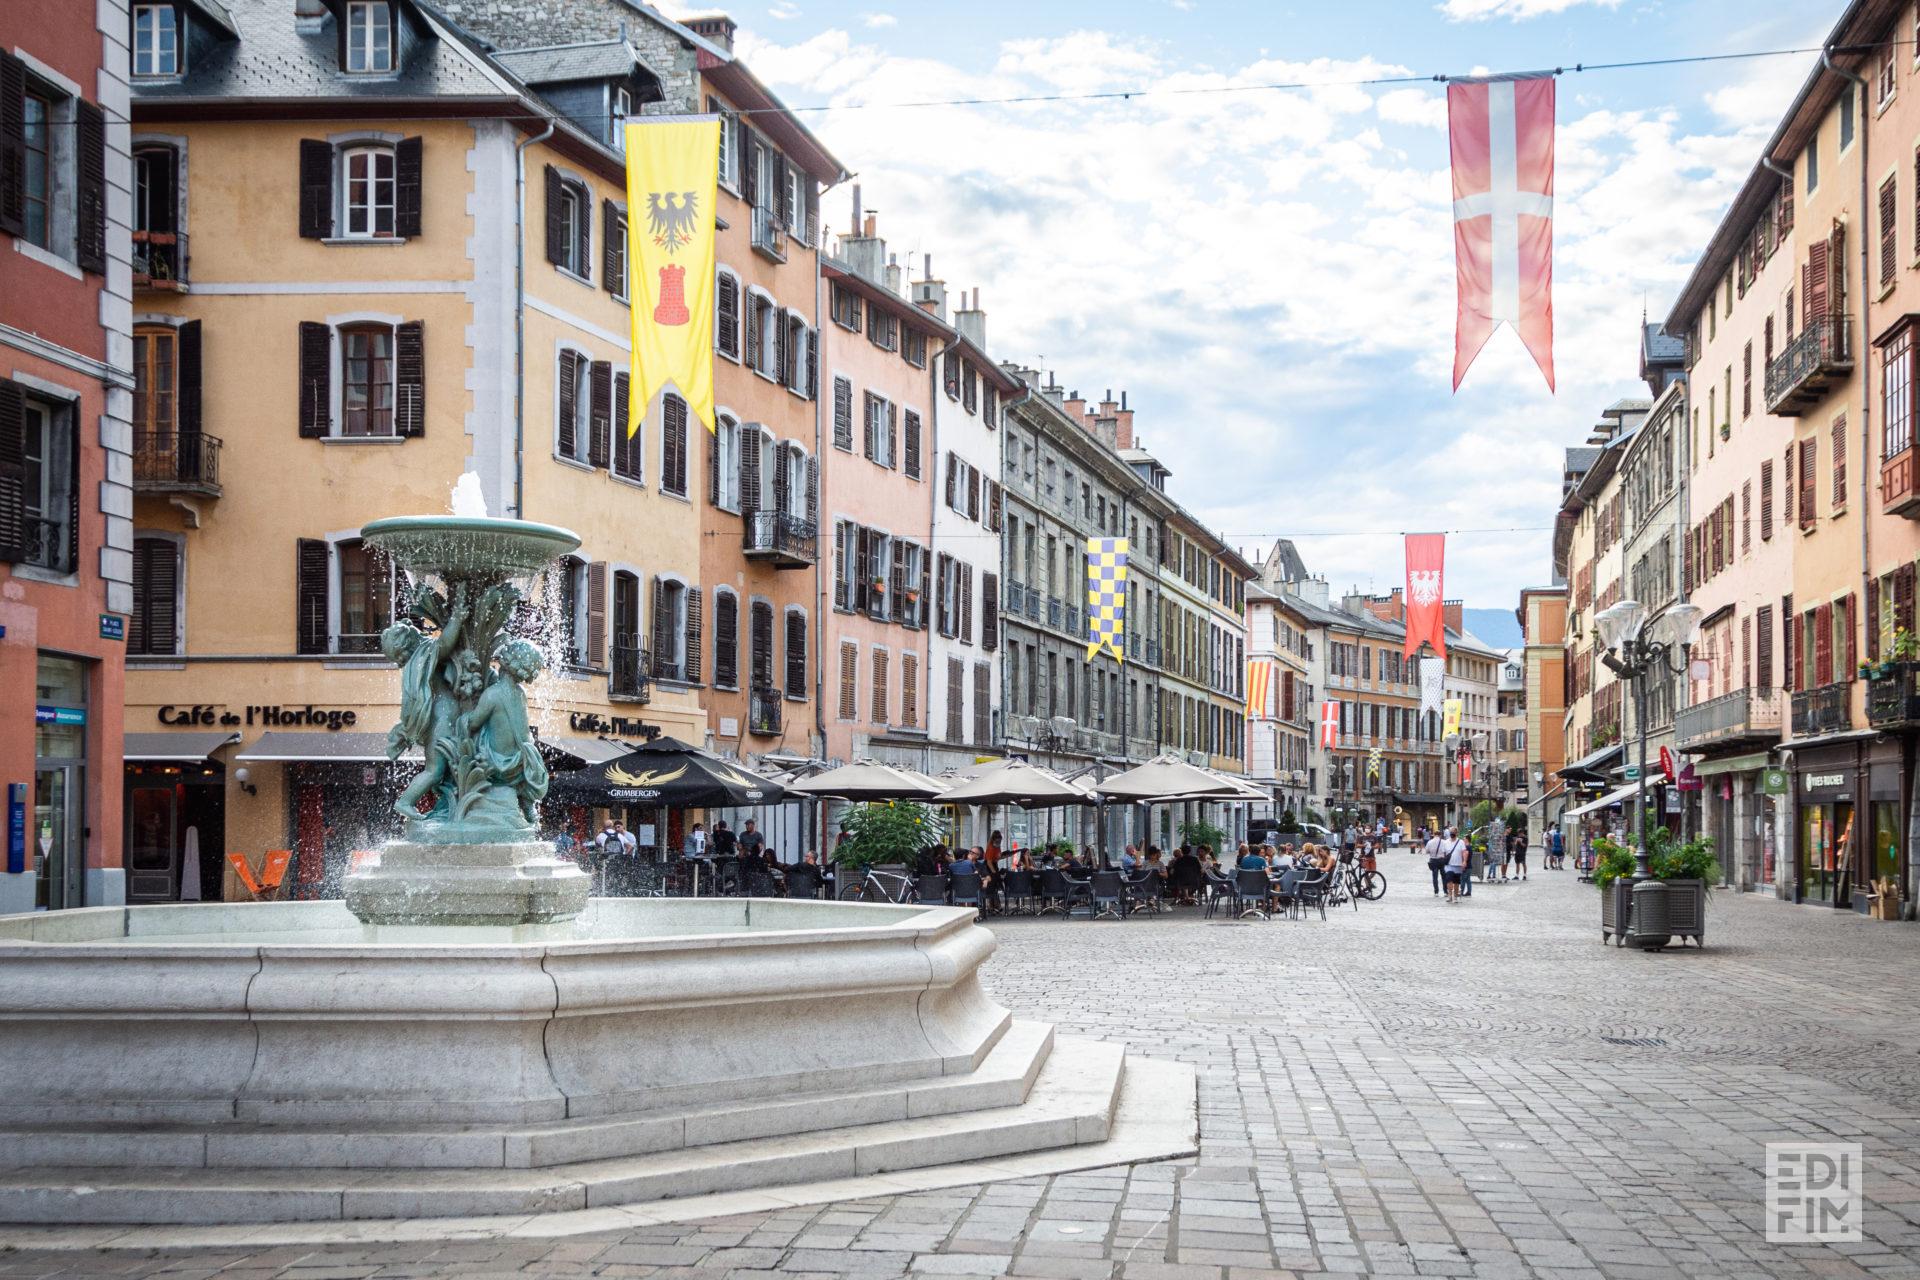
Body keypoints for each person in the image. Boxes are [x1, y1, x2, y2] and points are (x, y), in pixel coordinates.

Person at [1444, 827, 1470, 903]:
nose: (1452, 833)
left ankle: (1455, 896)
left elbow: (1464, 852)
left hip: (1458, 865)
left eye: (1453, 832)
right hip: (1449, 865)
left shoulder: (1461, 842)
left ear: (1456, 833)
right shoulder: (1446, 842)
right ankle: (1449, 895)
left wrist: (1464, 861)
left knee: (1456, 882)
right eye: (1451, 832)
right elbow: (1443, 853)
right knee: (1449, 880)